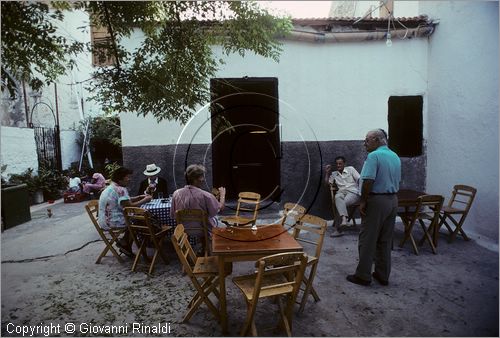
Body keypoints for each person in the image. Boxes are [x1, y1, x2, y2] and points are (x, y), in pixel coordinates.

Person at [346, 128, 401, 287]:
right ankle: (383, 275)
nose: (364, 144)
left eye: (367, 140)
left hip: (377, 201)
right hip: (392, 200)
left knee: (367, 239)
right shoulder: (394, 156)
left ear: (377, 140)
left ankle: (363, 275)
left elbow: (368, 180)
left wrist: (363, 201)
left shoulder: (374, 156)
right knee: (385, 239)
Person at [98, 167, 152, 257]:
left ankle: (125, 243)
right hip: (112, 222)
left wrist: (138, 197)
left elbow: (124, 201)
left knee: (136, 218)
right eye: (127, 177)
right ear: (120, 179)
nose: (129, 179)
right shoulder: (120, 189)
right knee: (139, 221)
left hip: (104, 221)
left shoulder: (112, 187)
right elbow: (129, 207)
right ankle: (133, 245)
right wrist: (145, 200)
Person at [170, 164, 226, 231]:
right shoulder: (206, 195)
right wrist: (223, 194)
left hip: (183, 230)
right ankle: (209, 241)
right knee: (224, 226)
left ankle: (201, 240)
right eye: (202, 176)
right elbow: (219, 209)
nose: (203, 179)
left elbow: (173, 215)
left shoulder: (176, 193)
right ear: (198, 179)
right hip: (204, 230)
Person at [324, 156, 361, 237]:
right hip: (341, 193)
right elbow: (327, 183)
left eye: (340, 164)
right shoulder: (334, 174)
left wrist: (361, 191)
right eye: (337, 164)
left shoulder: (351, 169)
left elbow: (359, 179)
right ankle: (344, 220)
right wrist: (327, 172)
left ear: (344, 164)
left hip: (353, 192)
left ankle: (338, 230)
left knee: (340, 204)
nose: (338, 165)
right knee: (337, 197)